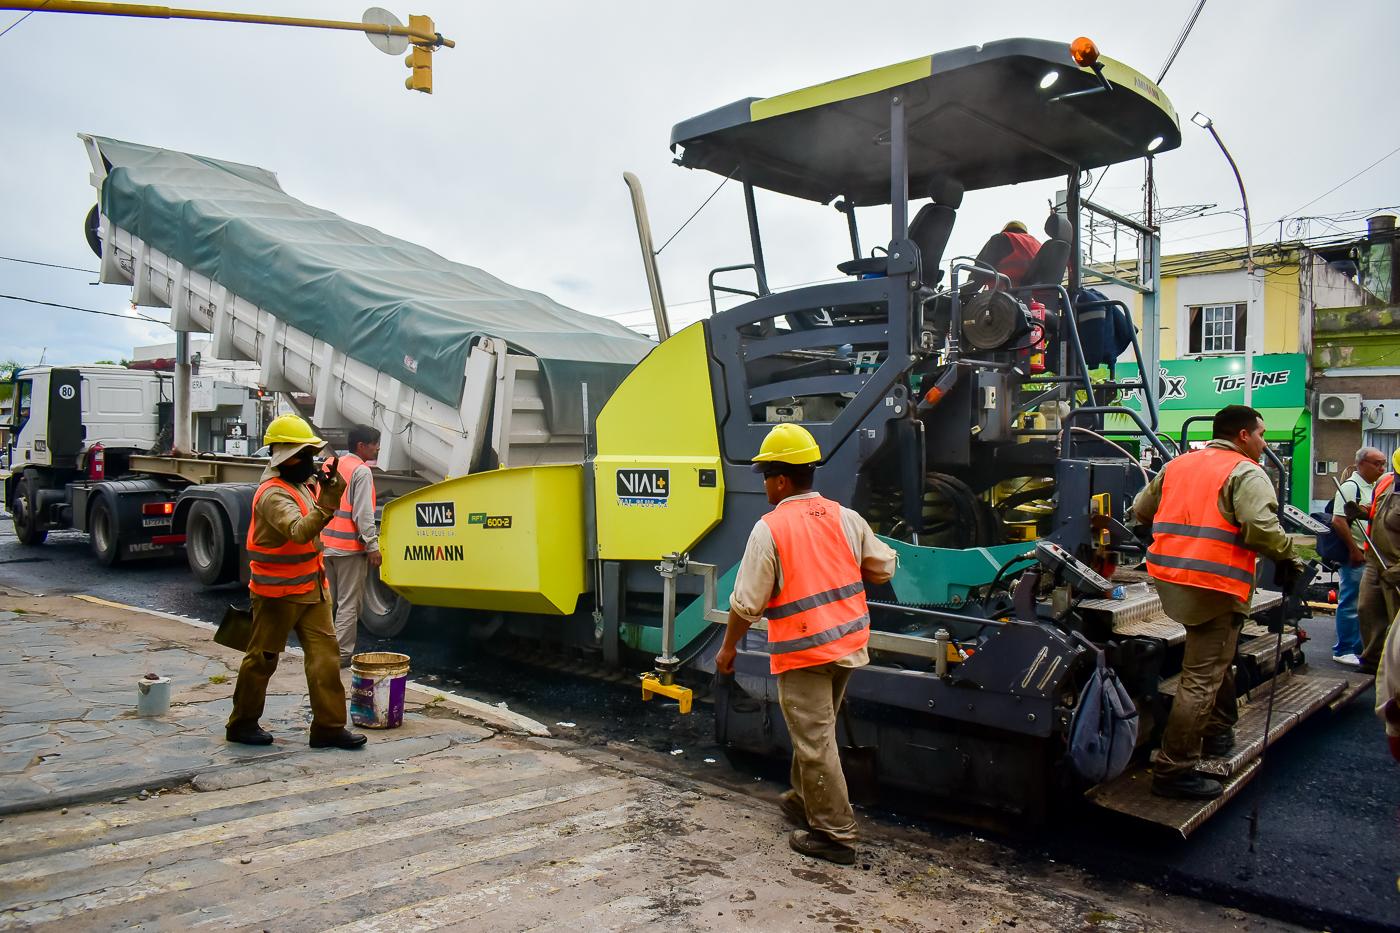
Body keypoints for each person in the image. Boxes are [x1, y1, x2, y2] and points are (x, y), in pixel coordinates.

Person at [714, 423, 897, 865]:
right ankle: (803, 798)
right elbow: (884, 568)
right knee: (815, 732)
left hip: (804, 654)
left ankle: (836, 835)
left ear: (780, 479)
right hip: (848, 645)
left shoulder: (771, 528)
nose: (763, 484)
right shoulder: (843, 516)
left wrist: (728, 649)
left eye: (765, 476)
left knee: (814, 741)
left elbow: (746, 603)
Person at [1133, 405, 1301, 800]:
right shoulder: (1246, 472)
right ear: (1243, 435)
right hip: (1217, 586)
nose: (1264, 441)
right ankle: (1174, 770)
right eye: (1261, 434)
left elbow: (1141, 511)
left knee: (1214, 657)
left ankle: (1218, 728)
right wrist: (1290, 558)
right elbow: (1261, 529)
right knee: (1201, 678)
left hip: (1173, 580)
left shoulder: (1179, 465)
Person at [226, 414, 366, 750]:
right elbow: (300, 530)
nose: (311, 462)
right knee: (262, 659)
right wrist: (329, 500)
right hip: (277, 595)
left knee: (326, 660)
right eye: (305, 455)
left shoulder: (301, 485)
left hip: (312, 590)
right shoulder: (272, 496)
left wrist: (327, 487)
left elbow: (314, 512)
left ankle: (329, 728)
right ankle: (242, 723)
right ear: (285, 459)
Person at [321, 424, 382, 667]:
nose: (377, 448)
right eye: (374, 444)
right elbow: (363, 514)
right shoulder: (361, 471)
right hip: (349, 549)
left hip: (326, 545)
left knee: (327, 601)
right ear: (361, 446)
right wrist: (372, 545)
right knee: (348, 604)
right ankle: (342, 654)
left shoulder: (330, 464)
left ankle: (323, 650)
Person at [1330, 448, 1386, 667]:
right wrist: (1354, 550)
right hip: (1357, 555)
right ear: (1362, 464)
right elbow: (1338, 520)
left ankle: (1359, 646)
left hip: (1369, 554)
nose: (1381, 469)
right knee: (1351, 602)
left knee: (1364, 604)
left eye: (1383, 464)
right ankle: (1344, 648)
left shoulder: (1374, 487)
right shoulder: (1350, 487)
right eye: (1377, 464)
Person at [1357, 450, 1400, 677]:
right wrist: (1362, 512)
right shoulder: (1385, 483)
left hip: (1396, 565)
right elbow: (1379, 513)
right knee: (1367, 608)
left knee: (1397, 622)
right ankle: (1372, 661)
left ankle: (1394, 671)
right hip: (1375, 559)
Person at [961, 220, 1042, 296]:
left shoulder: (1001, 238)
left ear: (1005, 230)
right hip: (1034, 299)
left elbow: (980, 270)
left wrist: (964, 294)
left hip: (1003, 298)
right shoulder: (1039, 245)